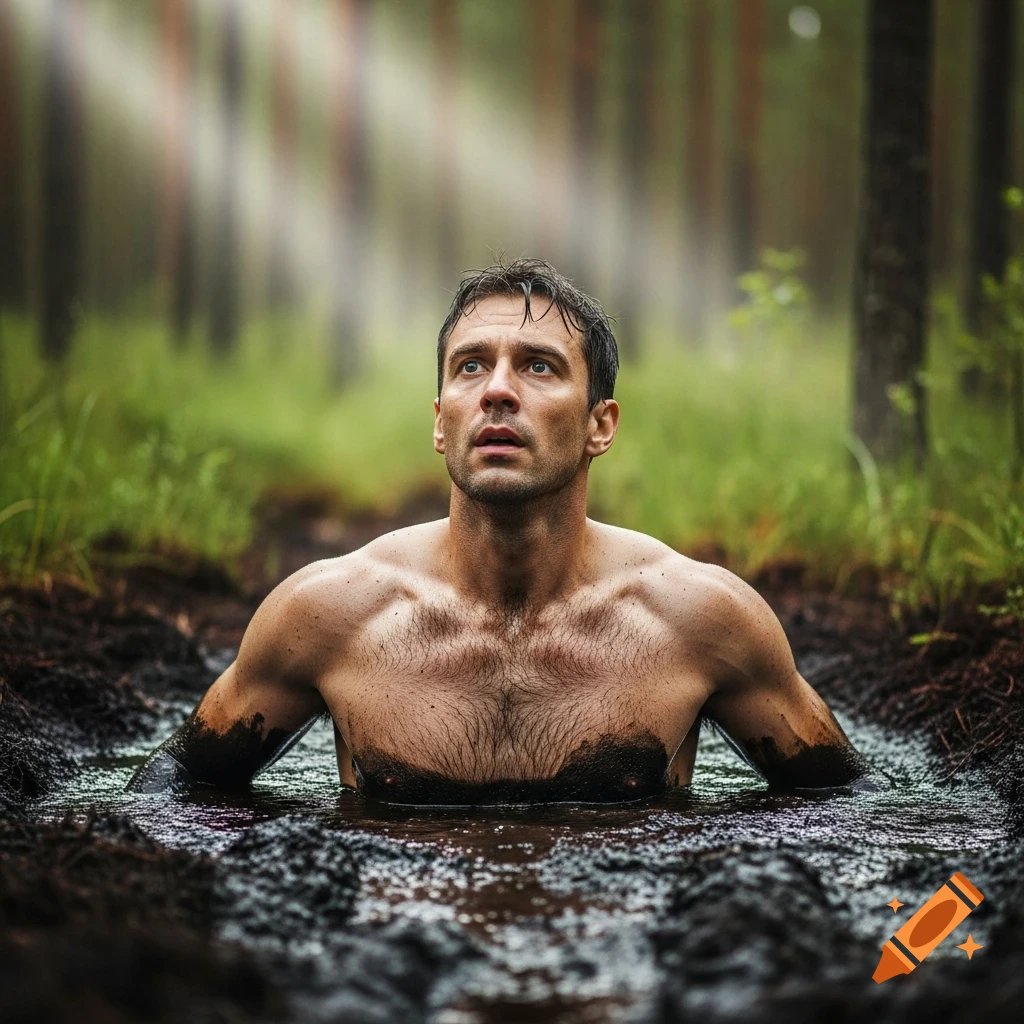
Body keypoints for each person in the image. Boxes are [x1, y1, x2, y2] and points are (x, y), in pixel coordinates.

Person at [129, 258, 878, 804]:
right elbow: (171, 790)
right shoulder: (329, 614)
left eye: (541, 367)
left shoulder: (700, 620)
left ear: (600, 425)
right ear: (439, 420)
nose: (496, 390)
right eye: (470, 367)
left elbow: (862, 815)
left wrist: (922, 957)